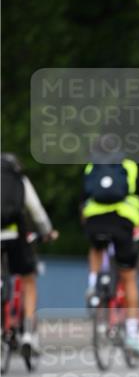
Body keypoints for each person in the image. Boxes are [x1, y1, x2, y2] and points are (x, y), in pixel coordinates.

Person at [81, 143, 139, 355]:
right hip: (123, 224)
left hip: (94, 222)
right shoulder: (129, 167)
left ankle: (92, 286)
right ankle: (133, 335)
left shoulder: (91, 167)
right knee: (128, 278)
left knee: (96, 247)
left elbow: (83, 203)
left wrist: (88, 225)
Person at [0, 153, 58, 362]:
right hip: (15, 235)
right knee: (28, 280)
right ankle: (27, 334)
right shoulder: (18, 179)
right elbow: (36, 211)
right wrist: (47, 232)